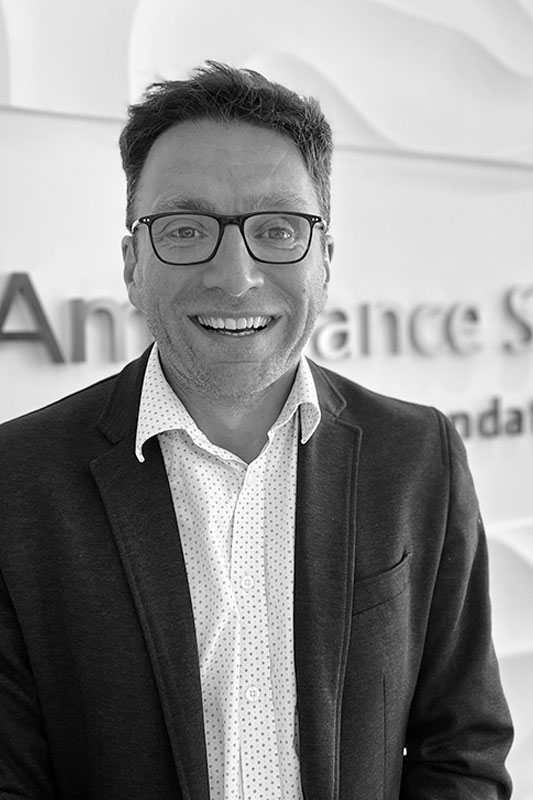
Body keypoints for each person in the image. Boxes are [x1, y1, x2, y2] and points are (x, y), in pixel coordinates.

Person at [0, 62, 512, 800]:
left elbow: (461, 746)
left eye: (277, 229)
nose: (234, 277)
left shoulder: (415, 457)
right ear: (131, 264)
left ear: (325, 261)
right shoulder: (19, 483)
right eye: (184, 229)